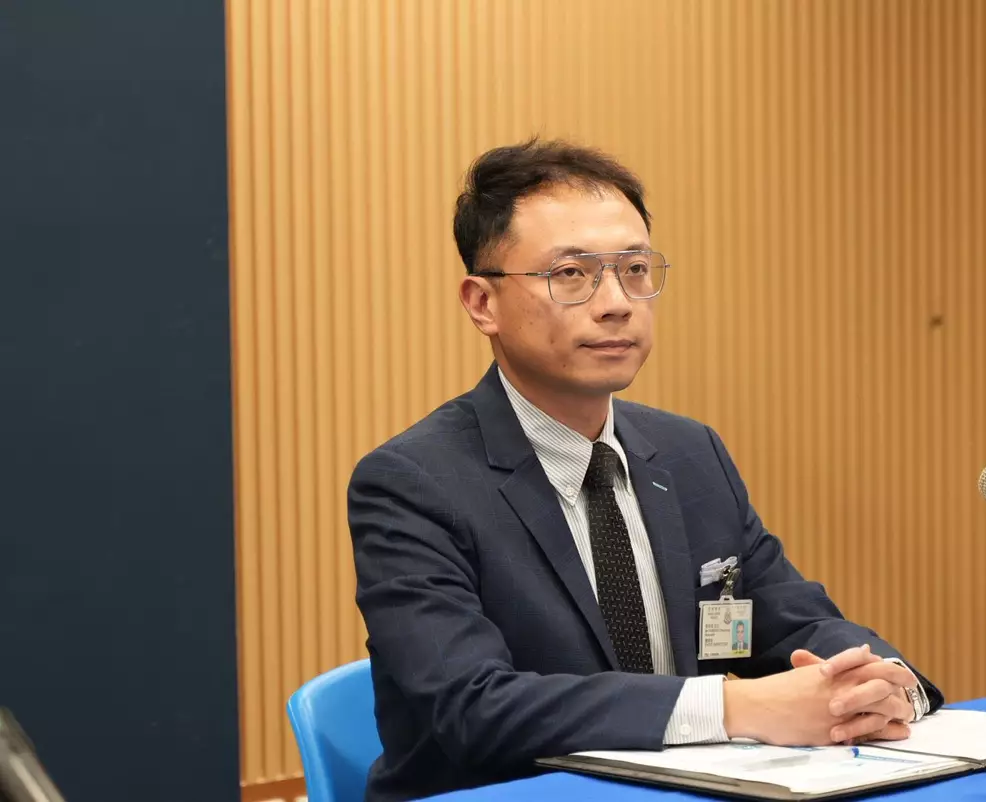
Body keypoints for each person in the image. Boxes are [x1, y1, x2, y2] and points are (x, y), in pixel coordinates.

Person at [348, 139, 944, 801]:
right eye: (571, 274)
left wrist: (882, 683)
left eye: (634, 269)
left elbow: (792, 620)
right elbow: (472, 705)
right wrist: (735, 707)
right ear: (482, 302)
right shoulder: (413, 482)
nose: (617, 302)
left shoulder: (690, 454)